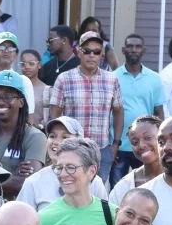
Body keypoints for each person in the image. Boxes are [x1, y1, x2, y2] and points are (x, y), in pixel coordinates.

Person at [46, 31, 123, 179]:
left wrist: (115, 144)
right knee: (71, 188)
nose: (91, 55)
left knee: (98, 191)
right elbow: (54, 114)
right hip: (72, 150)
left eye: (96, 51)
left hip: (102, 150)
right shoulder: (64, 79)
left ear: (102, 54)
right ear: (78, 52)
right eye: (87, 51)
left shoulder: (112, 79)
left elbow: (118, 111)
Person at [37, 136, 116, 225]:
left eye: (70, 167)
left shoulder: (112, 215)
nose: (63, 174)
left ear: (91, 171)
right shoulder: (42, 218)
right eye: (59, 168)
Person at [16, 116, 109, 208]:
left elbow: (104, 215)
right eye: (52, 136)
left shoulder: (94, 181)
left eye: (65, 137)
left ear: (79, 143)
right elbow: (22, 216)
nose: (56, 142)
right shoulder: (33, 182)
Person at [112, 34, 166, 180]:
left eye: (138, 46)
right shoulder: (113, 77)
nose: (134, 50)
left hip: (146, 145)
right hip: (120, 145)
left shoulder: (154, 78)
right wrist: (113, 144)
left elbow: (158, 111)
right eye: (130, 46)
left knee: (149, 184)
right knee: (118, 186)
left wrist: (161, 141)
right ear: (123, 50)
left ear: (144, 50)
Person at [0, 71, 47, 191]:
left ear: (21, 102)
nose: (1, 102)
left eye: (8, 97)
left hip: (19, 203)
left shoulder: (35, 137)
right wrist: (12, 176)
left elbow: (29, 183)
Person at [107, 116, 164, 206]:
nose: (141, 145)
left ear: (162, 139)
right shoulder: (125, 186)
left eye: (148, 138)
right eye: (134, 142)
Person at [0, 31, 35, 116]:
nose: (6, 51)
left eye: (11, 48)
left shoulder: (23, 81)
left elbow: (29, 116)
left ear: (16, 55)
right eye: (1, 47)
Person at [18, 48, 49, 126]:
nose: (27, 67)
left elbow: (51, 118)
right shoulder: (15, 88)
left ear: (39, 65)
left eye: (31, 64)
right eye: (23, 64)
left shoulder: (47, 90)